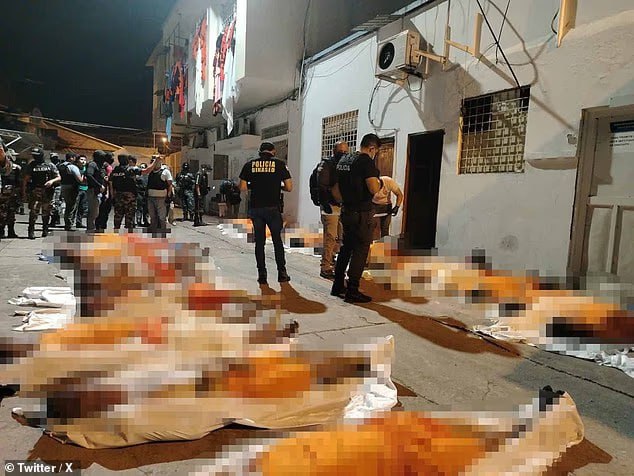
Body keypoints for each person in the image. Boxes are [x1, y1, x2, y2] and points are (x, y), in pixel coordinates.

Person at [330, 134, 382, 303]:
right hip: (361, 214)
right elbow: (373, 188)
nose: (374, 155)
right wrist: (380, 183)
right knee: (360, 250)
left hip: (346, 211)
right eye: (375, 152)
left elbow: (335, 189)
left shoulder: (345, 159)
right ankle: (352, 290)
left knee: (346, 248)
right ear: (372, 148)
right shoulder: (366, 162)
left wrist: (345, 202)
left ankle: (337, 285)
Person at [239, 141, 292, 285]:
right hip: (273, 209)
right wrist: (277, 186)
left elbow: (242, 187)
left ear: (260, 152)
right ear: (273, 152)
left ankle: (262, 274)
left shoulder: (249, 165)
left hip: (256, 209)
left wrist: (255, 186)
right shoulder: (280, 164)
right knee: (277, 241)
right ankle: (282, 273)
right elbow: (289, 187)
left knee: (259, 242)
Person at [317, 140, 349, 279]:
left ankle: (332, 260)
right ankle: (325, 267)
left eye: (345, 151)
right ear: (334, 151)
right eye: (340, 151)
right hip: (330, 205)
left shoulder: (344, 165)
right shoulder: (326, 164)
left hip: (342, 206)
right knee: (330, 237)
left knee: (340, 237)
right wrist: (325, 204)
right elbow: (322, 186)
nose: (343, 154)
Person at [22, 147, 61, 239]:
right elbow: (25, 179)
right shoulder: (31, 165)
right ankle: (31, 231)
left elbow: (58, 177)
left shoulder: (50, 165)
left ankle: (45, 229)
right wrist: (24, 193)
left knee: (46, 211)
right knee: (33, 211)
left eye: (37, 155)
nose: (35, 157)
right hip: (35, 191)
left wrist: (51, 181)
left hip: (47, 191)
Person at [109, 154, 139, 231]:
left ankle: (116, 233)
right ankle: (128, 235)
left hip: (118, 195)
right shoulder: (130, 170)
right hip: (130, 196)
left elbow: (111, 183)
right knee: (129, 218)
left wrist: (112, 196)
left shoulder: (115, 170)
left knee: (118, 217)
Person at [145, 155, 173, 233]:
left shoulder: (165, 172)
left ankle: (163, 230)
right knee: (152, 215)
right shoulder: (150, 171)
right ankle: (153, 230)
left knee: (162, 216)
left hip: (161, 198)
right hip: (150, 197)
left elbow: (170, 184)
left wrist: (168, 196)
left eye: (156, 160)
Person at [0, 142, 21, 239]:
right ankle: (4, 231)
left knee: (9, 213)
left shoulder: (15, 167)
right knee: (5, 213)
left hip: (10, 193)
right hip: (7, 193)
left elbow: (18, 181)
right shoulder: (11, 166)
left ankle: (9, 231)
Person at [372, 175, 404, 240]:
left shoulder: (388, 181)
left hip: (386, 205)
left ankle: (384, 245)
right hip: (373, 204)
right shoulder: (370, 184)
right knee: (370, 227)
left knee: (385, 228)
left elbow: (399, 194)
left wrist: (397, 207)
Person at [58, 153, 84, 231]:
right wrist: (83, 176)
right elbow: (80, 180)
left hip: (63, 187)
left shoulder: (60, 166)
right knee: (71, 207)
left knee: (68, 205)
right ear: (71, 158)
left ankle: (67, 223)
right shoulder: (72, 167)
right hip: (72, 188)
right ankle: (68, 224)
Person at [85, 150, 108, 232]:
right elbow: (89, 175)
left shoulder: (101, 166)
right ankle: (90, 229)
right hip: (93, 190)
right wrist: (99, 185)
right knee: (93, 212)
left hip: (99, 191)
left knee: (97, 212)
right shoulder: (93, 164)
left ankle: (93, 228)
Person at [95, 152, 115, 231]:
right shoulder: (108, 167)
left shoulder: (101, 166)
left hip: (101, 190)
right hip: (106, 191)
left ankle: (98, 225)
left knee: (100, 209)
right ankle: (102, 226)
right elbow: (109, 181)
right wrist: (109, 193)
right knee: (105, 210)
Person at [49, 153, 63, 227]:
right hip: (53, 186)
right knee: (54, 203)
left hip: (58, 186)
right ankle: (55, 219)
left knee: (56, 203)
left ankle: (55, 220)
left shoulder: (60, 166)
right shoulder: (50, 165)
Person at [75, 155, 89, 228]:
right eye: (81, 159)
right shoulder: (75, 168)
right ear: (77, 161)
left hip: (85, 189)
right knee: (74, 207)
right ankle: (70, 223)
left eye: (85, 160)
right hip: (77, 189)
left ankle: (79, 222)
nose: (83, 161)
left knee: (82, 207)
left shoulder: (87, 168)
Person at [135, 162, 150, 227]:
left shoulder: (149, 176)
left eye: (143, 167)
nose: (142, 168)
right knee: (139, 208)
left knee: (146, 208)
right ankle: (138, 220)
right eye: (141, 167)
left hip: (146, 193)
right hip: (139, 192)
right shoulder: (137, 176)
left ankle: (146, 221)